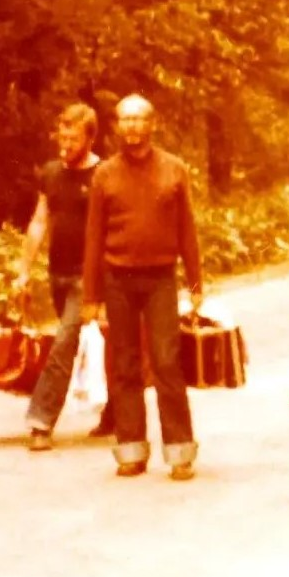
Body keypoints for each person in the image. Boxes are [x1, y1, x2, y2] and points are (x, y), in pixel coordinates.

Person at [81, 94, 204, 481]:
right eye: (125, 120)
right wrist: (90, 295)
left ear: (152, 124)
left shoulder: (174, 169)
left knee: (167, 361)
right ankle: (131, 449)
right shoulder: (105, 174)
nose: (132, 126)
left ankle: (180, 451)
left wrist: (197, 282)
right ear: (117, 126)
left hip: (161, 278)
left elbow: (187, 228)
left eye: (139, 119)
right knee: (125, 364)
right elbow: (94, 237)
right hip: (119, 278)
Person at [15, 103, 114, 451]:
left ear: (90, 138)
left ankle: (41, 421)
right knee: (100, 344)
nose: (65, 144)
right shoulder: (51, 173)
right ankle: (116, 411)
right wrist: (23, 271)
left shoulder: (104, 173)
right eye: (62, 136)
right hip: (57, 273)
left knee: (64, 345)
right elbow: (40, 220)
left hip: (89, 278)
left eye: (73, 138)